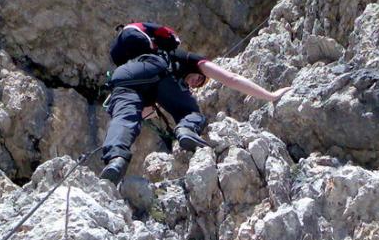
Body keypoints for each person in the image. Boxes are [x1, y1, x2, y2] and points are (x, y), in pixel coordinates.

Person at [100, 22, 290, 184]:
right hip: (155, 69)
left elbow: (137, 114)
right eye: (200, 79)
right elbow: (230, 78)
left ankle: (116, 159)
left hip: (122, 77)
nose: (196, 83)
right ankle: (186, 130)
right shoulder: (184, 58)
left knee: (122, 118)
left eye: (199, 85)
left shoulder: (137, 58)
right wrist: (270, 96)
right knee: (191, 113)